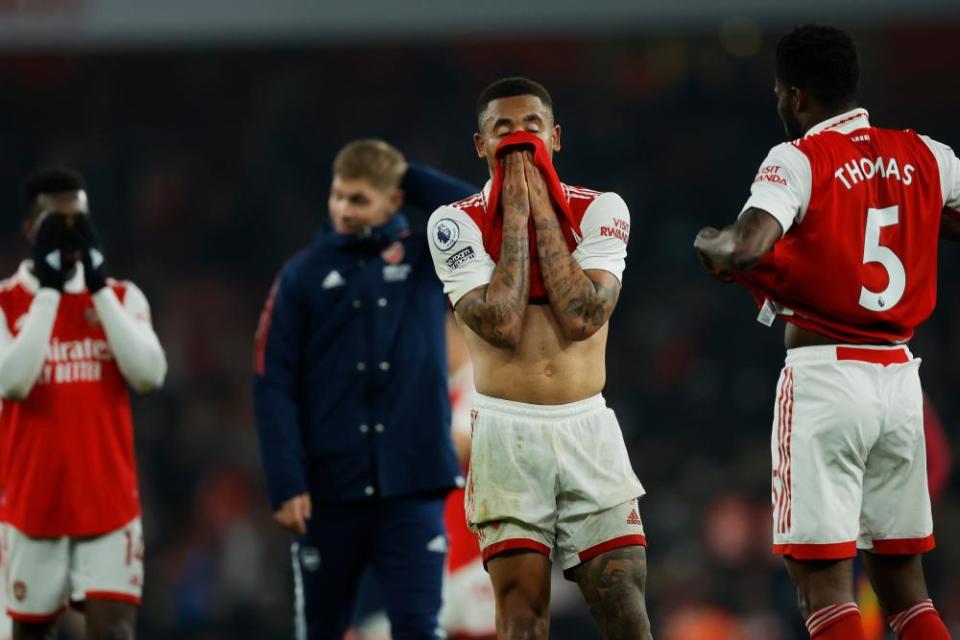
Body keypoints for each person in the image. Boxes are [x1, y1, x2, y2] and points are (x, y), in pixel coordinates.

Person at [693, 24, 958, 640]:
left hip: (827, 379)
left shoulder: (798, 157)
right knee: (907, 592)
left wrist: (714, 245)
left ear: (794, 96)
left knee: (824, 591)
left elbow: (749, 240)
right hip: (899, 381)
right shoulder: (926, 154)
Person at [427, 77, 651, 639]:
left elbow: (583, 315)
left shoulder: (602, 209)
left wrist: (538, 207)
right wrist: (517, 209)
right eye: (502, 130)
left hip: (587, 426)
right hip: (506, 432)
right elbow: (500, 323)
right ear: (480, 146)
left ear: (556, 136)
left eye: (531, 127)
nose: (518, 140)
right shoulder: (452, 223)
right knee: (522, 618)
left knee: (625, 609)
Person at [252, 139, 476, 639]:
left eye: (359, 199)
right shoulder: (301, 276)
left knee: (420, 629)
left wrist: (410, 176)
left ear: (394, 201)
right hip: (330, 492)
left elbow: (487, 218)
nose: (342, 210)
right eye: (337, 196)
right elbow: (272, 382)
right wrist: (287, 481)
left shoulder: (425, 259)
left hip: (413, 489)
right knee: (324, 630)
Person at [0, 168, 167, 639]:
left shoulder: (121, 297)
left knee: (114, 633)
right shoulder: (5, 302)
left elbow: (150, 375)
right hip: (33, 506)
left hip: (108, 505)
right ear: (31, 229)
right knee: (31, 634)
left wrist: (94, 286)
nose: (72, 235)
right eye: (59, 223)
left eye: (81, 222)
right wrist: (50, 292)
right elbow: (12, 382)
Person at [438, 312, 495, 640]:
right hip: (453, 546)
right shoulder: (451, 389)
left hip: (478, 548)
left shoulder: (477, 381)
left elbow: (457, 449)